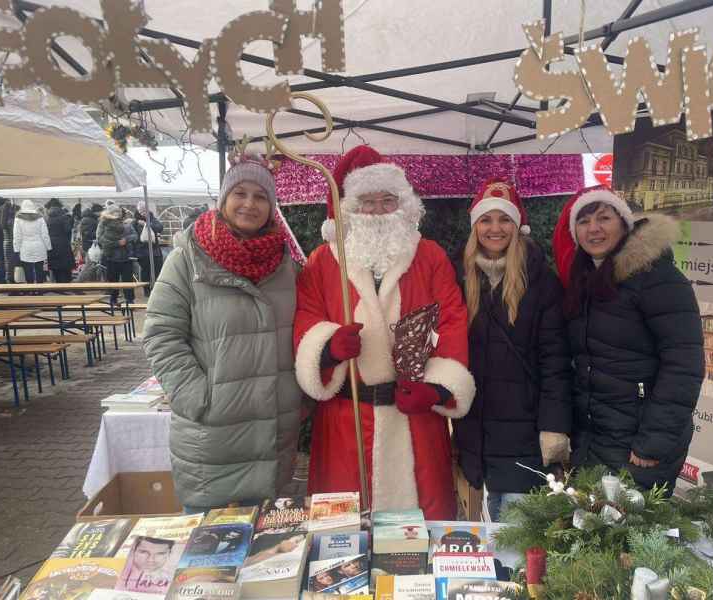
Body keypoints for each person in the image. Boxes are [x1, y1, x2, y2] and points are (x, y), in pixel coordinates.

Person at [293, 145, 475, 520]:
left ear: (404, 205)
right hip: (347, 418)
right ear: (348, 209)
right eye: (366, 201)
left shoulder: (430, 256)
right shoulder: (321, 261)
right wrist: (327, 348)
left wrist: (438, 389)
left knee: (421, 531)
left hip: (414, 415)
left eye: (387, 200)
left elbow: (452, 320)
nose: (377, 211)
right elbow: (306, 319)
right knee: (343, 532)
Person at [143, 152, 301, 513]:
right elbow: (160, 334)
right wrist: (196, 396)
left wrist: (298, 395)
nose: (249, 204)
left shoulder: (284, 265)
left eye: (261, 197)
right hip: (212, 439)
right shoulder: (187, 259)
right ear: (223, 200)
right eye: (240, 193)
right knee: (209, 557)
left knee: (269, 554)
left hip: (273, 435)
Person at [552, 185, 704, 493]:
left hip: (639, 444)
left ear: (624, 223)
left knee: (634, 536)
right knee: (591, 532)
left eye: (603, 218)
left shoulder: (659, 279)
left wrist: (652, 442)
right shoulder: (585, 280)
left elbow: (683, 366)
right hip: (596, 438)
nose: (593, 229)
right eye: (583, 221)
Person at [453, 178, 573, 522]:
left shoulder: (542, 281)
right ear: (475, 226)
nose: (495, 228)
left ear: (518, 225)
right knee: (489, 522)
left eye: (504, 219)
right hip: (477, 426)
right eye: (486, 220)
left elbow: (555, 361)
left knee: (520, 531)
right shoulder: (461, 276)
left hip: (525, 428)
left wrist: (554, 426)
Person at [96, 204, 138, 305]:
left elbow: (135, 235)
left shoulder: (126, 224)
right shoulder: (103, 225)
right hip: (111, 257)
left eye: (118, 212)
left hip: (126, 257)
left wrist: (126, 240)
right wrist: (117, 243)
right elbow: (101, 240)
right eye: (115, 212)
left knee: (127, 280)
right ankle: (113, 299)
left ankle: (129, 300)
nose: (117, 214)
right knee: (112, 280)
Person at [13, 200, 51, 284]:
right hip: (39, 246)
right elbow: (45, 234)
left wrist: (16, 249)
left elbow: (17, 236)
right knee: (39, 269)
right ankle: (39, 290)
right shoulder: (40, 217)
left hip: (25, 247)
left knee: (27, 270)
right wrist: (48, 247)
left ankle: (30, 288)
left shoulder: (18, 219)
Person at [133, 201, 164, 295]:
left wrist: (147, 224)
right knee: (145, 271)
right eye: (141, 211)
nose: (143, 212)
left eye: (144, 210)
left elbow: (160, 227)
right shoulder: (135, 222)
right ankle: (147, 290)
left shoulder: (152, 219)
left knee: (157, 270)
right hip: (142, 252)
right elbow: (133, 237)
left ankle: (157, 289)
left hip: (155, 251)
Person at [45, 198, 75, 283]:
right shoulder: (64, 216)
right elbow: (68, 230)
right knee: (65, 267)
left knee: (55, 267)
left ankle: (58, 285)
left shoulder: (47, 218)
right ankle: (66, 284)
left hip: (52, 244)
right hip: (63, 244)